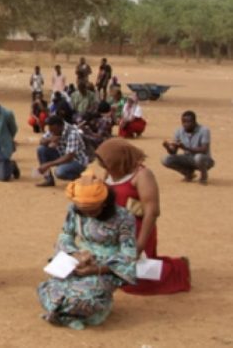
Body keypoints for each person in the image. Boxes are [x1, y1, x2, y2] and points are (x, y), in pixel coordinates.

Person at [37, 175, 136, 330]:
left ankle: (75, 312)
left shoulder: (124, 217)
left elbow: (128, 254)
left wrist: (96, 269)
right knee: (49, 290)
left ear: (104, 203)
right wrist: (74, 255)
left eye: (92, 210)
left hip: (106, 267)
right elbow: (65, 235)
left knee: (83, 299)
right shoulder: (74, 211)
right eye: (83, 211)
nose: (88, 214)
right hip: (77, 262)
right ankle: (66, 314)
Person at [96, 139, 191, 295]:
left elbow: (152, 212)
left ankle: (177, 268)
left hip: (137, 231)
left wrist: (139, 246)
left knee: (135, 284)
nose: (103, 166)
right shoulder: (112, 171)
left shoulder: (142, 175)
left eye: (105, 162)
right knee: (111, 274)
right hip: (114, 231)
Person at [35, 115, 90, 187]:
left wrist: (48, 164)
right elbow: (42, 141)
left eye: (53, 130)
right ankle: (48, 179)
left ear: (60, 126)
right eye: (50, 130)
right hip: (62, 156)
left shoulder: (72, 133)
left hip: (77, 161)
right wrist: (49, 140)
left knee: (59, 172)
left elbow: (69, 157)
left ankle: (80, 178)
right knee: (41, 149)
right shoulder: (53, 129)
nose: (52, 132)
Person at [161, 110, 213, 184]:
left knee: (198, 157)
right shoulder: (178, 131)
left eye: (188, 122)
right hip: (188, 158)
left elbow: (204, 149)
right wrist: (167, 147)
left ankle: (203, 176)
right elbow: (173, 152)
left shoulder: (204, 130)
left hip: (204, 160)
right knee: (165, 159)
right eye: (183, 122)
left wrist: (185, 148)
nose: (185, 124)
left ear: (195, 122)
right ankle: (188, 174)